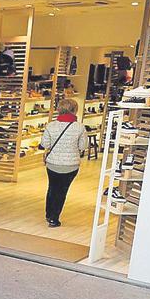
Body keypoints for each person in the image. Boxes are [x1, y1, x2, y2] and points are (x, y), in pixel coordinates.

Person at [40, 98, 86, 228]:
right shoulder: (79, 127)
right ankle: (54, 218)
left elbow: (45, 144)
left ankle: (48, 214)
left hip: (53, 163)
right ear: (74, 110)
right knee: (62, 191)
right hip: (71, 165)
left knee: (52, 188)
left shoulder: (51, 125)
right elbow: (83, 146)